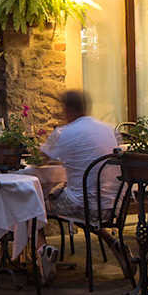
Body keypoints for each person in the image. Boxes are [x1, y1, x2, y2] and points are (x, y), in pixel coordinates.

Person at [41, 90, 121, 220]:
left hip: (83, 208)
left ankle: (40, 237)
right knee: (67, 187)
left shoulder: (63, 132)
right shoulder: (110, 130)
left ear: (67, 109)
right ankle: (103, 233)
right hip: (112, 207)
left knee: (37, 205)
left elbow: (41, 159)